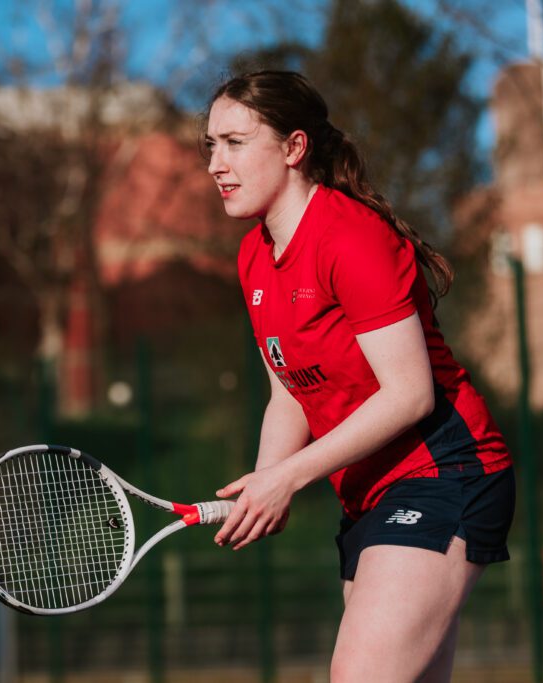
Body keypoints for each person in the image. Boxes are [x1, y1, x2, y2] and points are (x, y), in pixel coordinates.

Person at [203, 70, 515, 682]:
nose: (216, 162)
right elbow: (289, 393)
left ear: (294, 148)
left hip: (446, 472)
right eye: (210, 144)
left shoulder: (349, 236)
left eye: (236, 142)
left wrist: (288, 478)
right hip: (368, 495)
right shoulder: (253, 254)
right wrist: (268, 483)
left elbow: (410, 394)